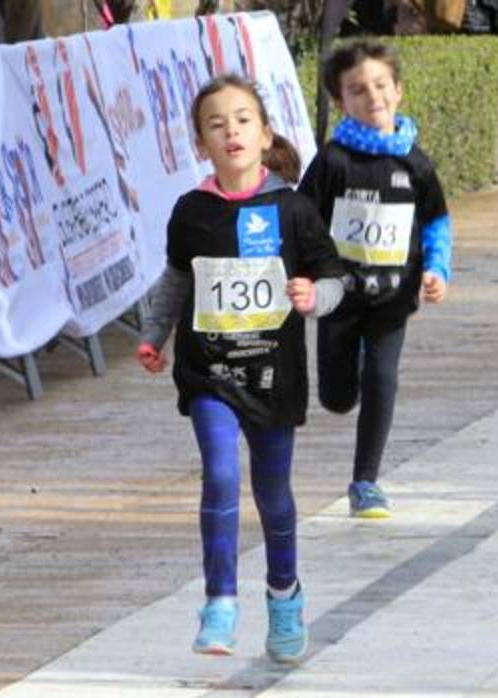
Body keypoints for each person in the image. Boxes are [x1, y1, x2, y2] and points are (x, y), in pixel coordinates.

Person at [137, 75, 345, 664]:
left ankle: (284, 594)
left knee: (273, 494)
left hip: (273, 376)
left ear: (265, 133)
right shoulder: (191, 212)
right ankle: (220, 601)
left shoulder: (292, 208)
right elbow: (178, 278)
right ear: (200, 142)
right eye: (216, 123)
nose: (231, 131)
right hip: (209, 374)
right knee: (221, 476)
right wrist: (155, 336)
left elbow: (334, 276)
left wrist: (314, 297)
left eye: (243, 120)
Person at [299, 40, 453, 519]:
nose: (373, 98)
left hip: (393, 295)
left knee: (383, 378)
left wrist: (436, 268)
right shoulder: (332, 160)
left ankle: (365, 481)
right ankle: (346, 375)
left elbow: (436, 221)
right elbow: (303, 219)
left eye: (380, 86)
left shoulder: (416, 162)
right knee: (338, 397)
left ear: (399, 91)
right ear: (340, 100)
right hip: (339, 296)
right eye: (357, 90)